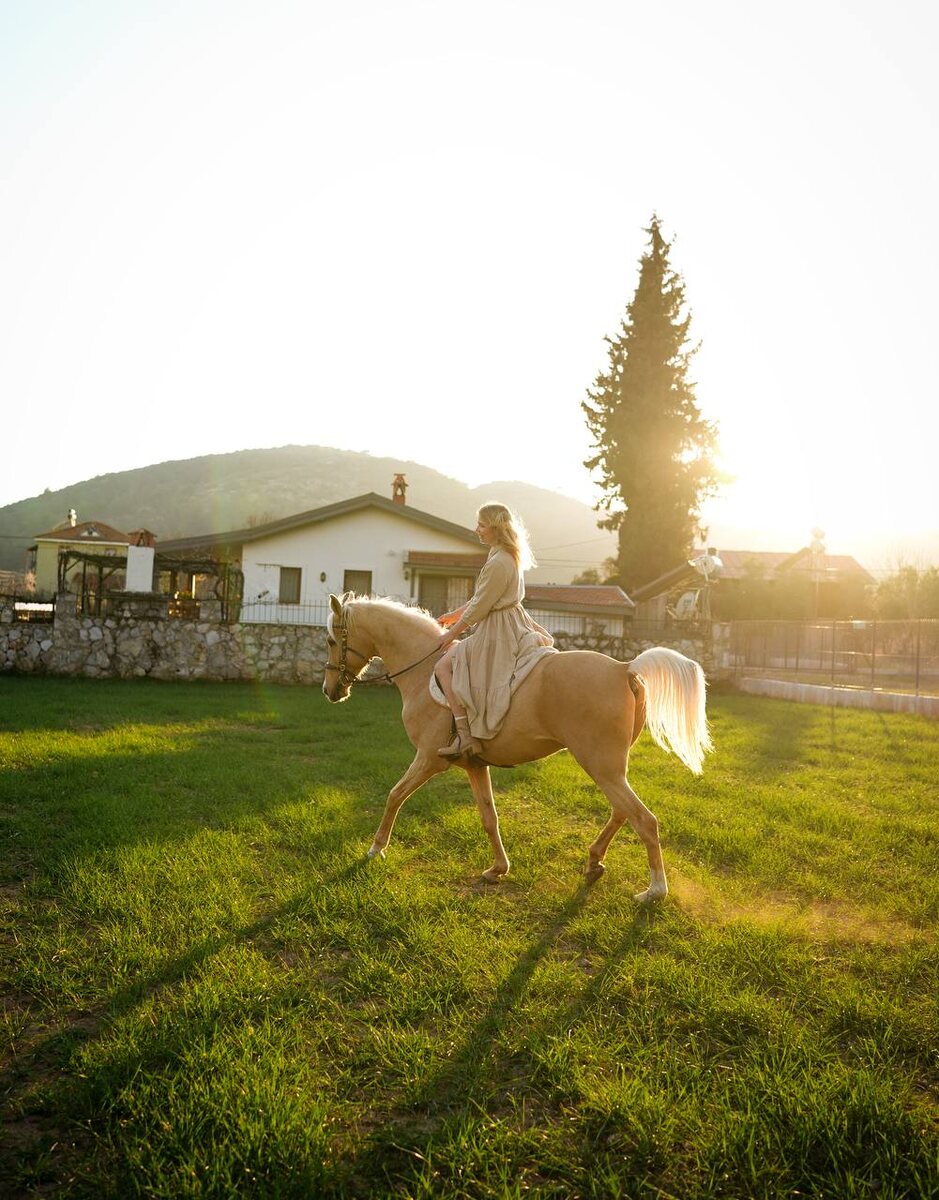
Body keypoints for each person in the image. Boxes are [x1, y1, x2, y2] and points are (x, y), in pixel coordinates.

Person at [435, 503, 555, 759]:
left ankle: (465, 737)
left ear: (495, 528)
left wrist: (450, 635)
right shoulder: (505, 555)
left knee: (443, 667)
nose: (476, 530)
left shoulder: (499, 561)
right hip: (508, 620)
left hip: (498, 629)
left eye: (481, 524)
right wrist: (454, 615)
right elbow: (483, 598)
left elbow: (480, 607)